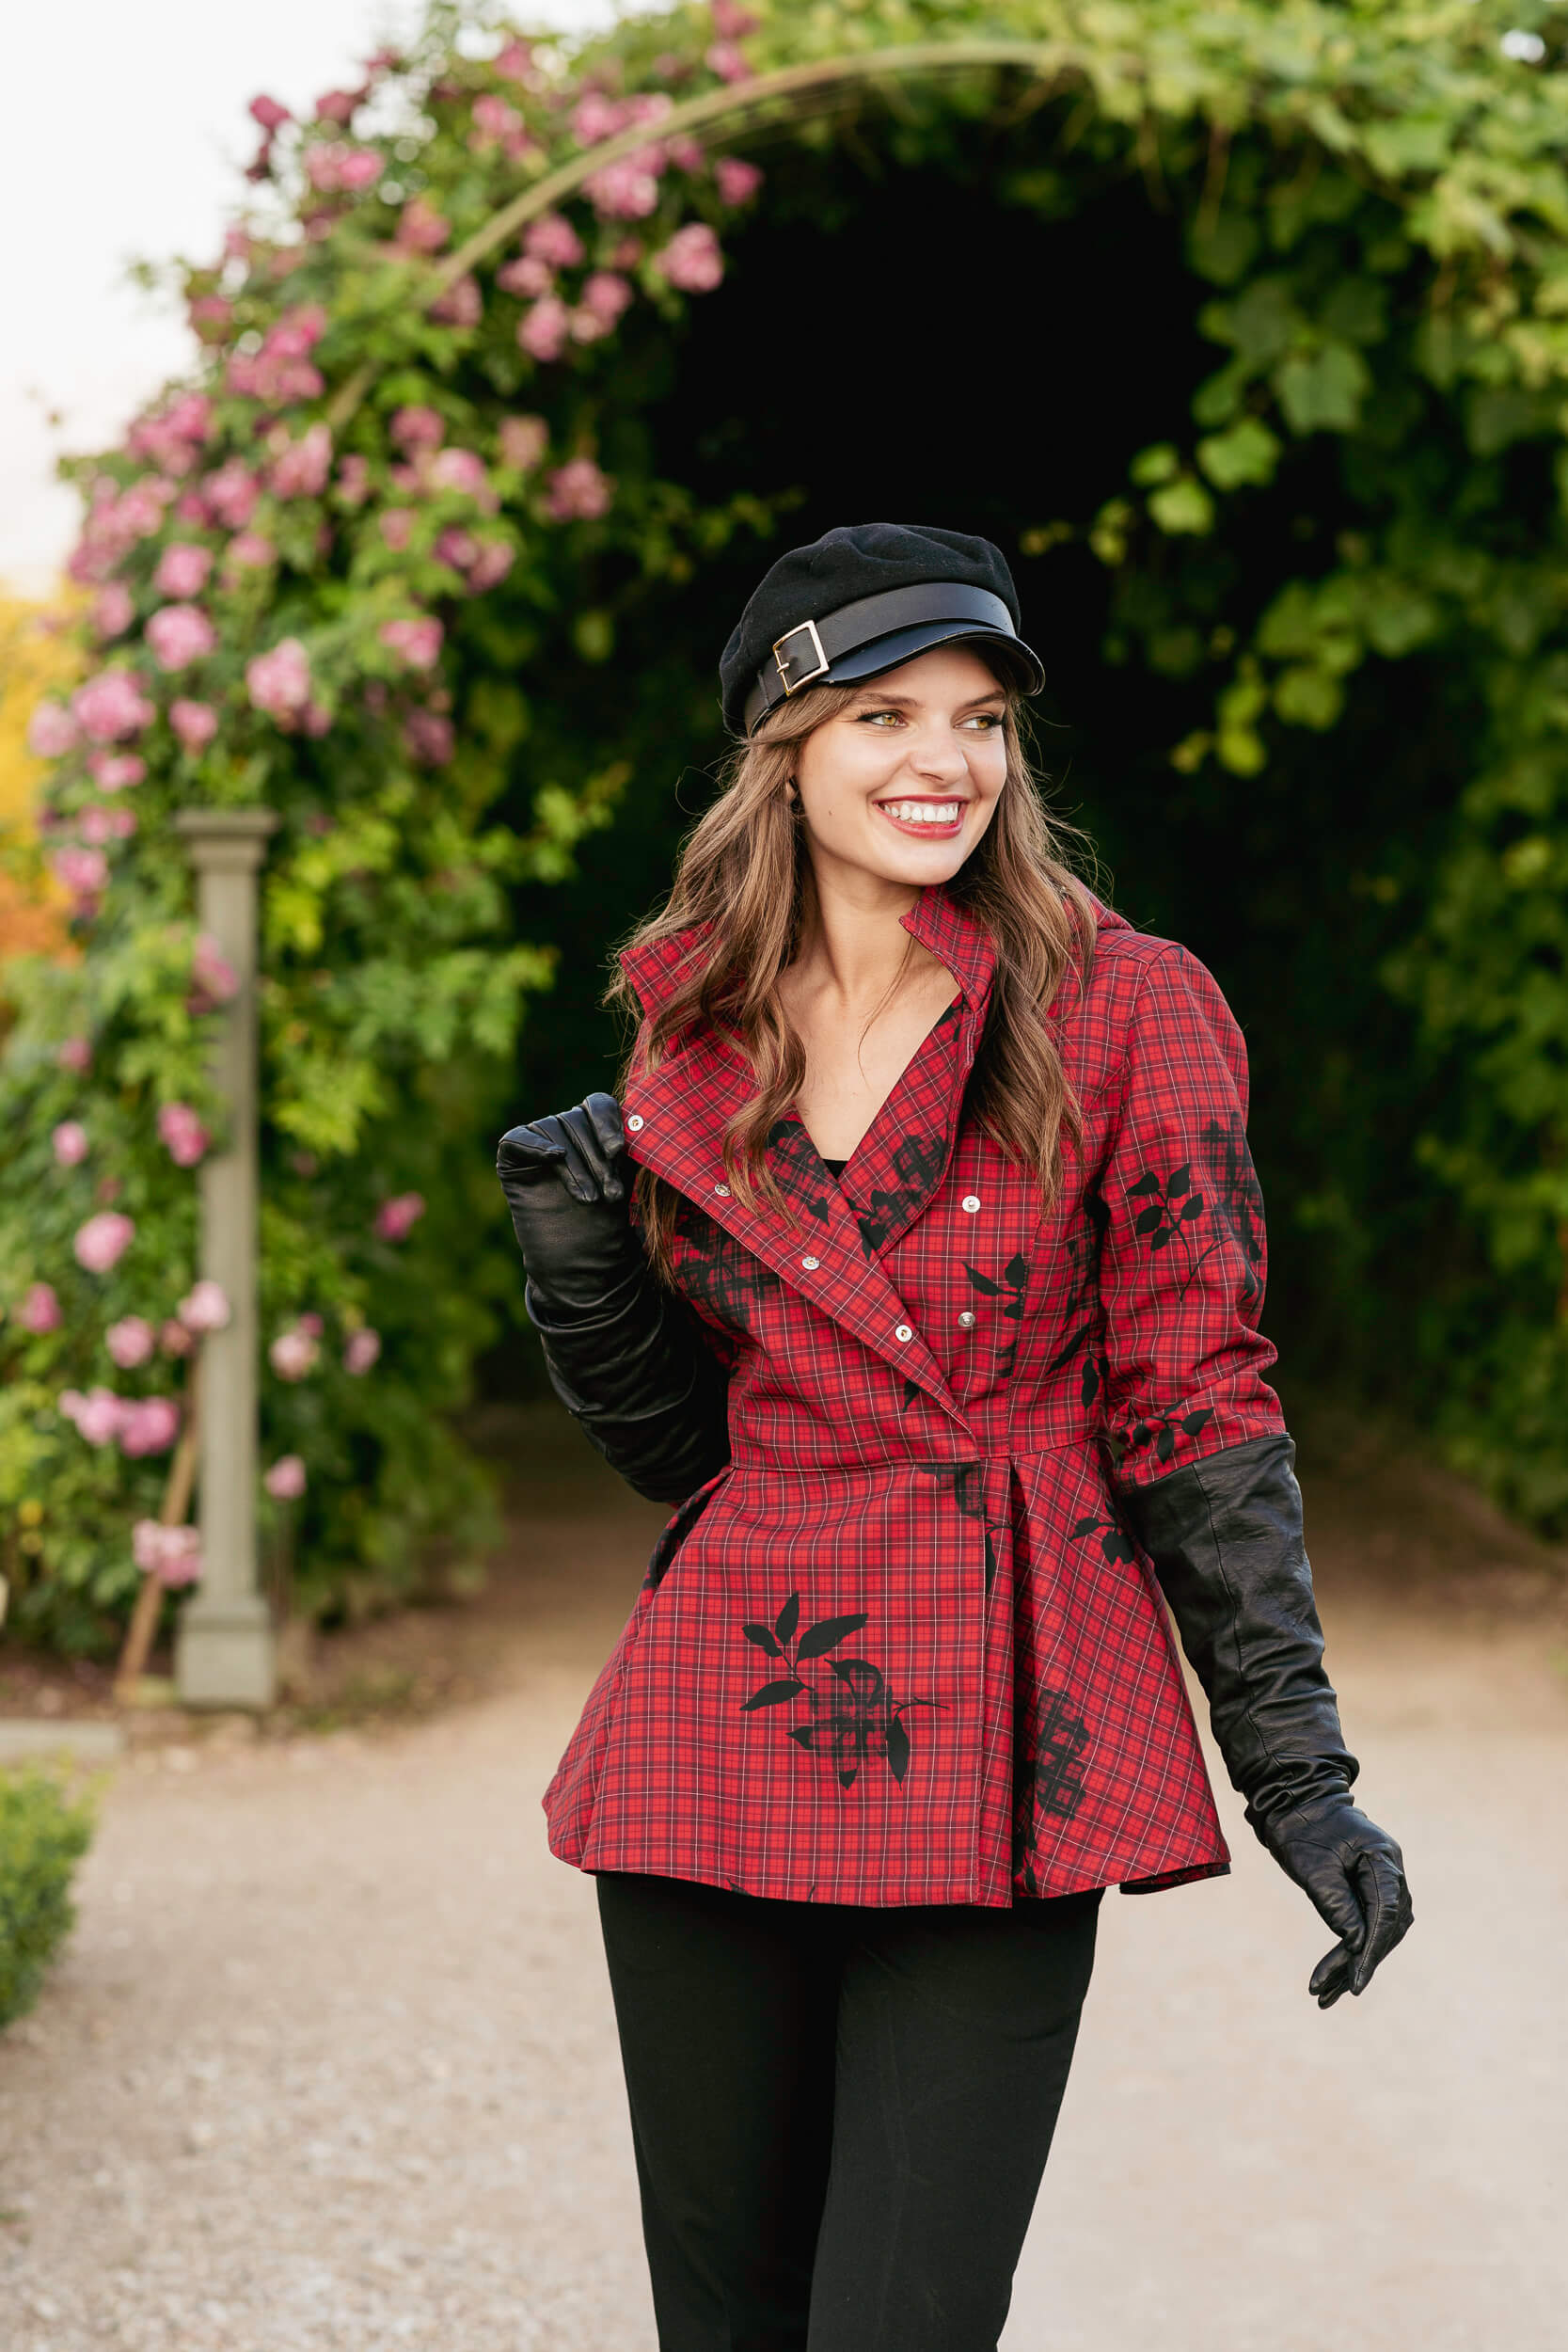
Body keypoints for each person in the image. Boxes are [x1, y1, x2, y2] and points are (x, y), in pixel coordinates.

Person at [496, 523, 1413, 2352]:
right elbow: (694, 1448)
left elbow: (1200, 1400)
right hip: (715, 1734)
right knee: (726, 2321)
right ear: (785, 744)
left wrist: (1296, 1766)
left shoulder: (1126, 1004)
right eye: (888, 713)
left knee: (907, 2317)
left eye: (983, 719)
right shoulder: (699, 1030)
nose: (948, 760)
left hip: (1010, 1741)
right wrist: (580, 1262)